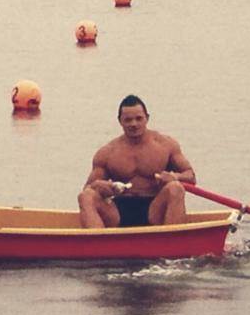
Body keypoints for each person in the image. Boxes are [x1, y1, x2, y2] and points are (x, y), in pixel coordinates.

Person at [78, 94, 195, 228]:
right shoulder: (107, 152)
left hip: (155, 209)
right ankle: (99, 240)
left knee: (175, 188)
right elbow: (87, 188)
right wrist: (99, 186)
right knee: (86, 196)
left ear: (147, 118)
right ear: (120, 121)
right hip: (119, 211)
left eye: (139, 118)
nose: (134, 124)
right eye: (128, 120)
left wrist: (175, 177)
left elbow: (191, 176)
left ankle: (173, 239)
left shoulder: (165, 145)